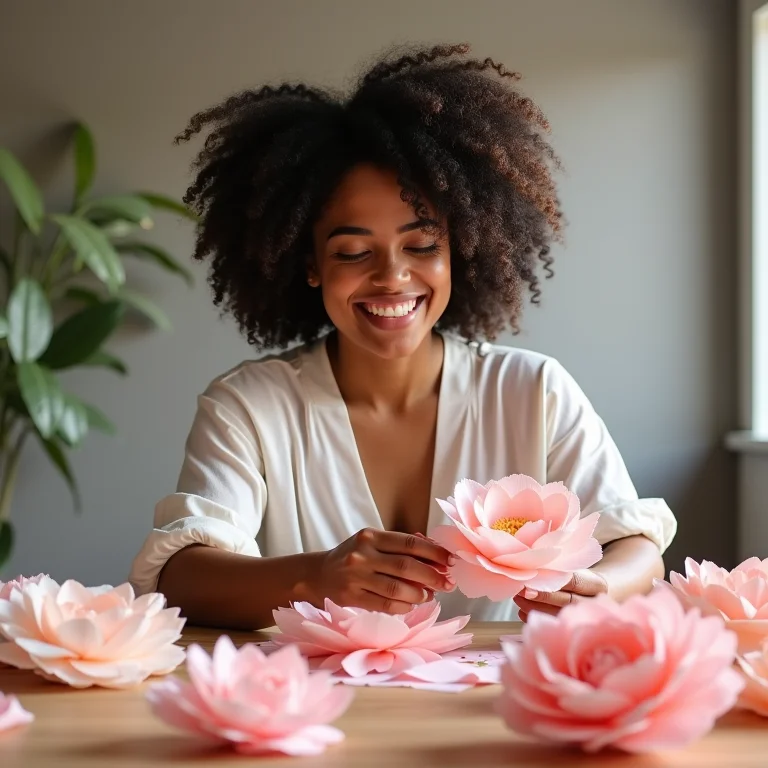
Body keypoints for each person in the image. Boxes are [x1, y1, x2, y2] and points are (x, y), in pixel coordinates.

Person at [129, 43, 676, 630]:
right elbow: (180, 576)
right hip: (321, 707)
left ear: (458, 252)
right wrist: (316, 577)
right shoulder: (249, 406)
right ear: (309, 263)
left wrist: (601, 590)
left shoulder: (533, 390)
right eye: (354, 251)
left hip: (498, 700)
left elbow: (636, 543)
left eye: (421, 246)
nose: (392, 276)